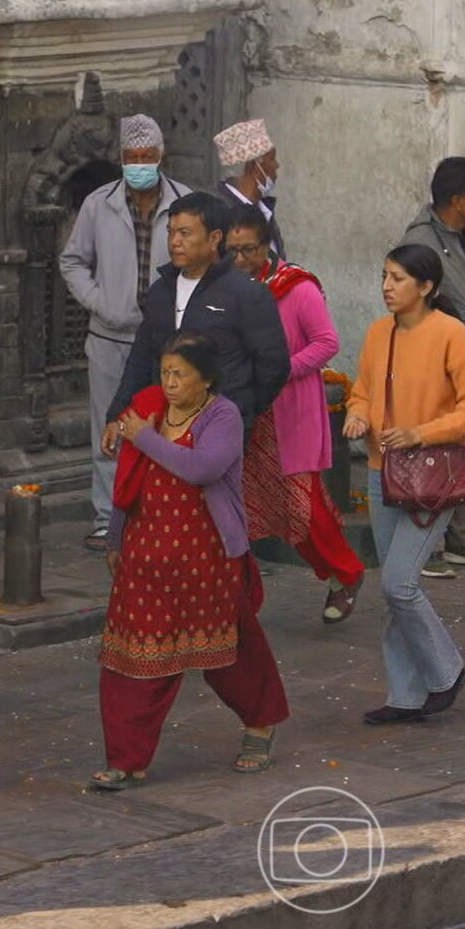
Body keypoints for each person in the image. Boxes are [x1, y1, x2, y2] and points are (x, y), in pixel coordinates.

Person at [92, 331, 290, 789]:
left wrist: (144, 437)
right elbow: (127, 482)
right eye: (165, 373)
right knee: (131, 658)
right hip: (145, 562)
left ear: (206, 378)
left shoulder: (223, 416)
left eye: (180, 374)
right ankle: (127, 758)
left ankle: (259, 723)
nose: (170, 383)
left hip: (208, 560)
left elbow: (203, 467)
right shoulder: (149, 410)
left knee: (229, 652)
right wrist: (115, 540)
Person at [344, 244, 465, 724]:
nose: (387, 287)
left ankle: (446, 672)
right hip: (381, 470)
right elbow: (362, 391)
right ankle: (407, 696)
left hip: (438, 474)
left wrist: (418, 433)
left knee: (399, 583)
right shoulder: (376, 334)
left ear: (426, 287)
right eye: (384, 276)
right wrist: (355, 415)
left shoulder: (451, 334)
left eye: (398, 278)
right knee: (396, 588)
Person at [59, 114, 194, 551]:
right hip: (109, 334)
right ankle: (106, 517)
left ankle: (157, 512)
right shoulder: (100, 204)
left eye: (147, 157)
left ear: (161, 158)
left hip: (167, 338)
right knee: (108, 425)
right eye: (132, 157)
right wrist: (101, 302)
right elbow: (73, 260)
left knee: (166, 424)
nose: (140, 164)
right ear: (121, 160)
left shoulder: (184, 203)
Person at [224, 210, 365, 619]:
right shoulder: (229, 289)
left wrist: (283, 369)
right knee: (258, 508)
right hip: (250, 413)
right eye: (232, 251)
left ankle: (346, 571)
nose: (240, 259)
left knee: (304, 507)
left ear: (267, 244)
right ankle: (244, 597)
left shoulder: (296, 288)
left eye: (248, 249)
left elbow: (326, 343)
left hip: (291, 410)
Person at [103, 191, 290, 447]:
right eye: (171, 232)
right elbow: (142, 355)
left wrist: (239, 409)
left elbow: (274, 365)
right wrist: (117, 414)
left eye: (185, 233)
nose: (174, 242)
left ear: (214, 238)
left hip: (218, 430)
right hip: (162, 425)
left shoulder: (246, 293)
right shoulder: (161, 291)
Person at [396, 157, 465, 575]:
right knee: (437, 454)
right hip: (440, 365)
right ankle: (429, 544)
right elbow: (409, 307)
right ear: (456, 200)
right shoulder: (420, 242)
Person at [214, 118, 286, 260]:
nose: (277, 165)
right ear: (253, 166)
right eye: (271, 159)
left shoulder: (264, 209)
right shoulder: (220, 211)